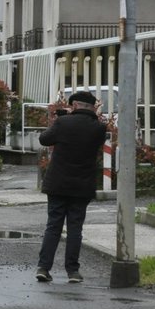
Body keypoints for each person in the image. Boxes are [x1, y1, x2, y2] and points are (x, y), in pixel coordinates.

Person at [36, 90, 109, 284]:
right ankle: (73, 271)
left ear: (74, 105)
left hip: (58, 184)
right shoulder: (99, 128)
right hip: (82, 186)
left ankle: (44, 268)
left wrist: (57, 121)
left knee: (53, 226)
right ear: (92, 107)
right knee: (75, 228)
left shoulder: (63, 123)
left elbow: (44, 139)